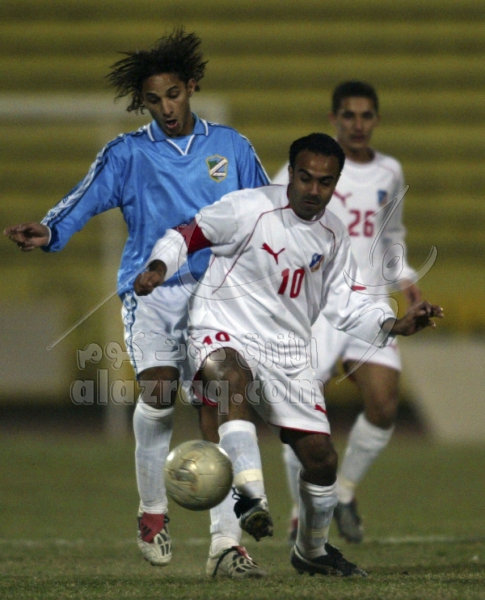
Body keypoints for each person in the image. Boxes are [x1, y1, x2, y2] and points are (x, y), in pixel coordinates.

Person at [4, 29, 270, 577]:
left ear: (191, 87)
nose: (166, 108)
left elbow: (269, 213)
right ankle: (152, 512)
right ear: (142, 102)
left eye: (173, 94)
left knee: (218, 403)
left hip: (217, 296)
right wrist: (51, 231)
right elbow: (83, 199)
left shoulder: (232, 148)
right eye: (154, 99)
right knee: (158, 389)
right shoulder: (127, 153)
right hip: (151, 292)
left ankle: (226, 545)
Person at [134, 133, 443, 577]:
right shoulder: (248, 208)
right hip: (223, 327)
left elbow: (349, 304)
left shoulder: (334, 234)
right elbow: (187, 234)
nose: (313, 189)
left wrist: (395, 324)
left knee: (321, 458)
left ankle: (311, 551)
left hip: (287, 351)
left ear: (335, 183)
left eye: (325, 182)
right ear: (291, 173)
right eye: (305, 178)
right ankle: (250, 498)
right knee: (230, 380)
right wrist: (160, 266)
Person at [273, 81, 421, 543]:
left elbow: (390, 234)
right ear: (334, 117)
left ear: (376, 119)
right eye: (349, 115)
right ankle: (300, 511)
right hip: (317, 306)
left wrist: (407, 282)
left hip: (370, 300)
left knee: (384, 403)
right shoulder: (306, 168)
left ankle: (345, 491)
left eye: (366, 115)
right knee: (302, 412)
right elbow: (273, 224)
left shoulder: (389, 171)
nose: (358, 124)